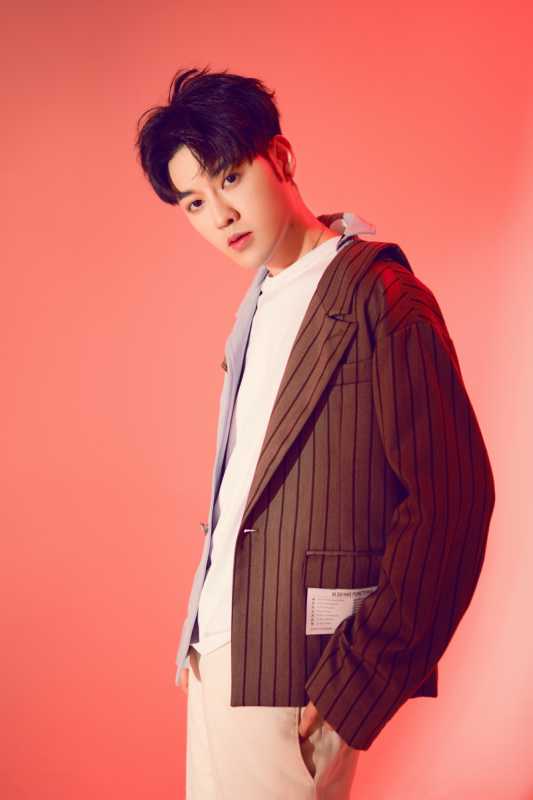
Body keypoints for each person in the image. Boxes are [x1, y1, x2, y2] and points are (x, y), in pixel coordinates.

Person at [134, 66, 496, 799]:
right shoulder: (257, 304)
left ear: (280, 157)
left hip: (297, 676)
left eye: (230, 178)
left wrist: (359, 681)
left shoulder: (379, 296)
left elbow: (451, 504)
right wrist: (200, 636)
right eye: (195, 202)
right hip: (218, 659)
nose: (219, 216)